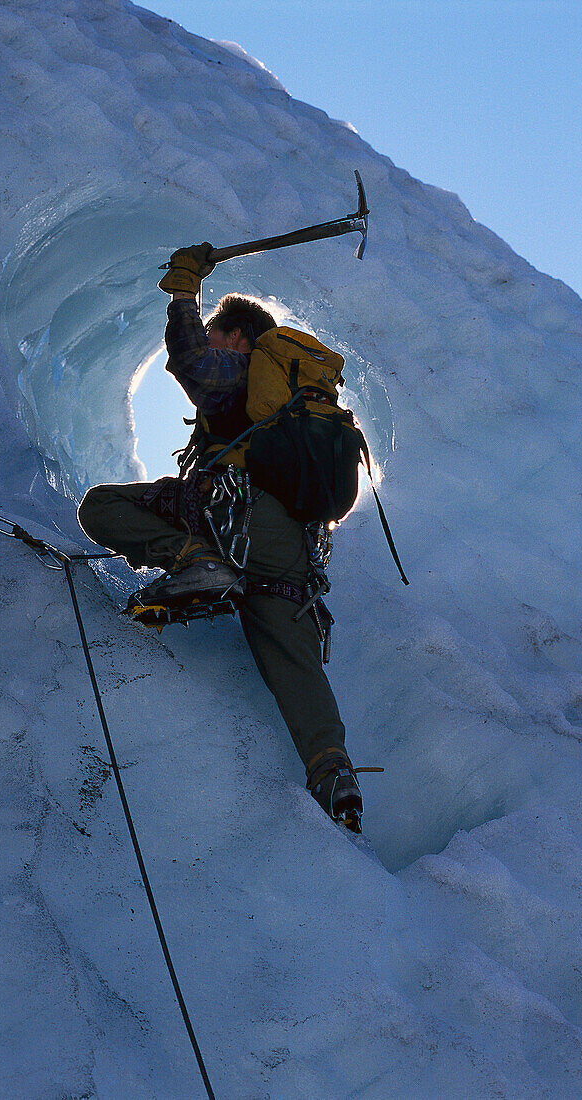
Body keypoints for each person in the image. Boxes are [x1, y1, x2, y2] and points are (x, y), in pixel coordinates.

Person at [77, 244, 364, 830]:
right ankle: (332, 772)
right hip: (292, 558)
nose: (208, 339)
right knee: (295, 667)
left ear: (238, 338)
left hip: (232, 519)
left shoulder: (241, 371)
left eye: (215, 331)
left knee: (102, 505)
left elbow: (188, 360)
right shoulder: (294, 411)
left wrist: (186, 293)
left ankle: (194, 562)